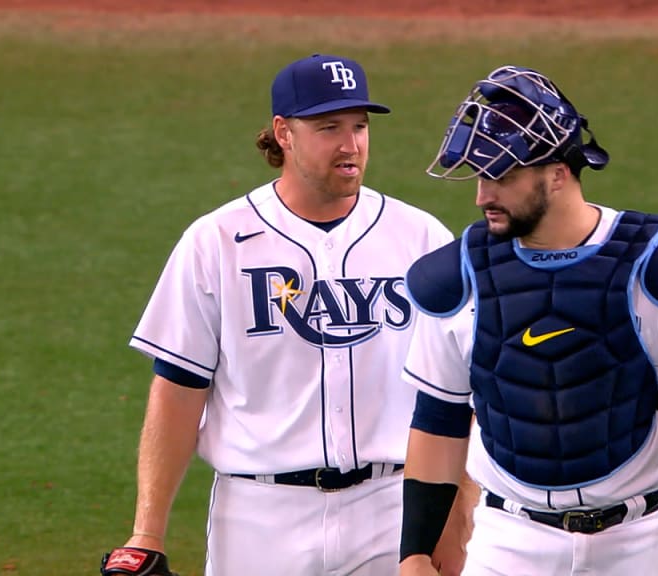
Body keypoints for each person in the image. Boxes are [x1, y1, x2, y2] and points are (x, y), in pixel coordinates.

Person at [100, 53, 473, 576]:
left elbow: (458, 391)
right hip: (259, 517)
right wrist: (147, 533)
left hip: (394, 509)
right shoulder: (217, 242)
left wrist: (458, 518)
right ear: (284, 133)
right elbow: (179, 388)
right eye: (328, 128)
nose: (351, 145)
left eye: (360, 127)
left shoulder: (421, 238)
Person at [396, 65, 658, 576]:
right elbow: (438, 423)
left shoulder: (656, 265)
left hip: (640, 542)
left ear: (558, 173)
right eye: (480, 175)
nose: (482, 196)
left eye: (501, 176)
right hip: (508, 544)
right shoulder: (456, 279)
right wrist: (414, 553)